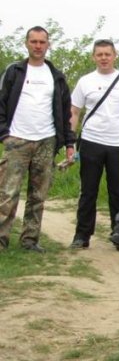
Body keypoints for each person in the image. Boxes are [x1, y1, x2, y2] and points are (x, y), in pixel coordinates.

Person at [0, 26, 75, 253]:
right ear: (26, 44)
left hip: (46, 140)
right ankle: (1, 239)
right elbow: (1, 103)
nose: (38, 46)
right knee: (7, 192)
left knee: (38, 195)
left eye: (42, 42)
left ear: (48, 44)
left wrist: (69, 143)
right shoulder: (14, 72)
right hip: (17, 140)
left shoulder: (56, 76)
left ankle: (30, 240)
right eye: (33, 41)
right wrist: (4, 134)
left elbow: (65, 112)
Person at [68, 40, 119, 249]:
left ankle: (118, 233)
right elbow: (75, 112)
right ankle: (82, 235)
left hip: (117, 144)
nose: (103, 58)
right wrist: (70, 141)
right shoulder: (85, 81)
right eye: (99, 54)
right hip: (91, 141)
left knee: (117, 191)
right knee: (88, 190)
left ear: (114, 55)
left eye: (107, 54)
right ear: (93, 57)